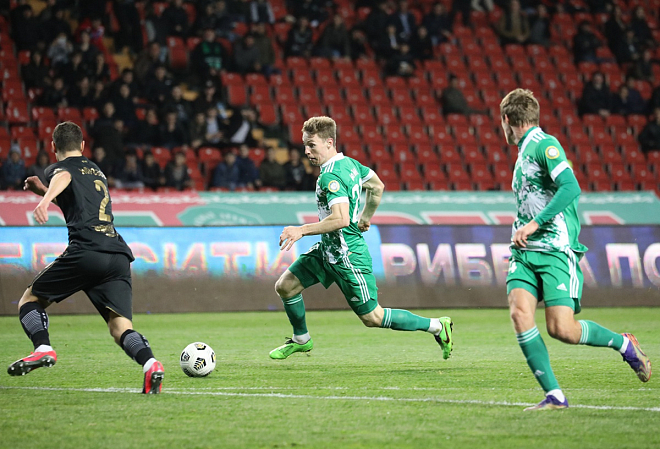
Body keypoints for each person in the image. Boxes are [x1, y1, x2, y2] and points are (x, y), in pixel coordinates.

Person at [500, 89, 651, 411]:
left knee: (562, 330)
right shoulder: (524, 152)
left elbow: (571, 187)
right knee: (519, 313)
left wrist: (534, 224)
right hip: (524, 251)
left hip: (555, 249)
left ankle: (624, 344)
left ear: (507, 119)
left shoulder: (545, 145)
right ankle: (555, 396)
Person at [269, 116, 453, 360]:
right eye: (305, 145)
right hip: (328, 250)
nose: (307, 151)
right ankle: (301, 339)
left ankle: (437, 326)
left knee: (373, 317)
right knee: (286, 286)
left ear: (329, 142)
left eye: (311, 145)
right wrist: (366, 217)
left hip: (348, 254)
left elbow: (341, 219)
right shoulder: (351, 164)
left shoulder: (330, 176)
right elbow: (377, 186)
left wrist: (301, 230)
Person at [10, 122, 164, 393]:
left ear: (53, 146)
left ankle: (43, 348)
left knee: (29, 300)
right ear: (82, 146)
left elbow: (64, 177)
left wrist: (44, 200)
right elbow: (77, 200)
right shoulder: (96, 170)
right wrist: (42, 191)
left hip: (87, 251)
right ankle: (151, 363)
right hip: (117, 255)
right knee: (120, 328)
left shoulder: (59, 168)